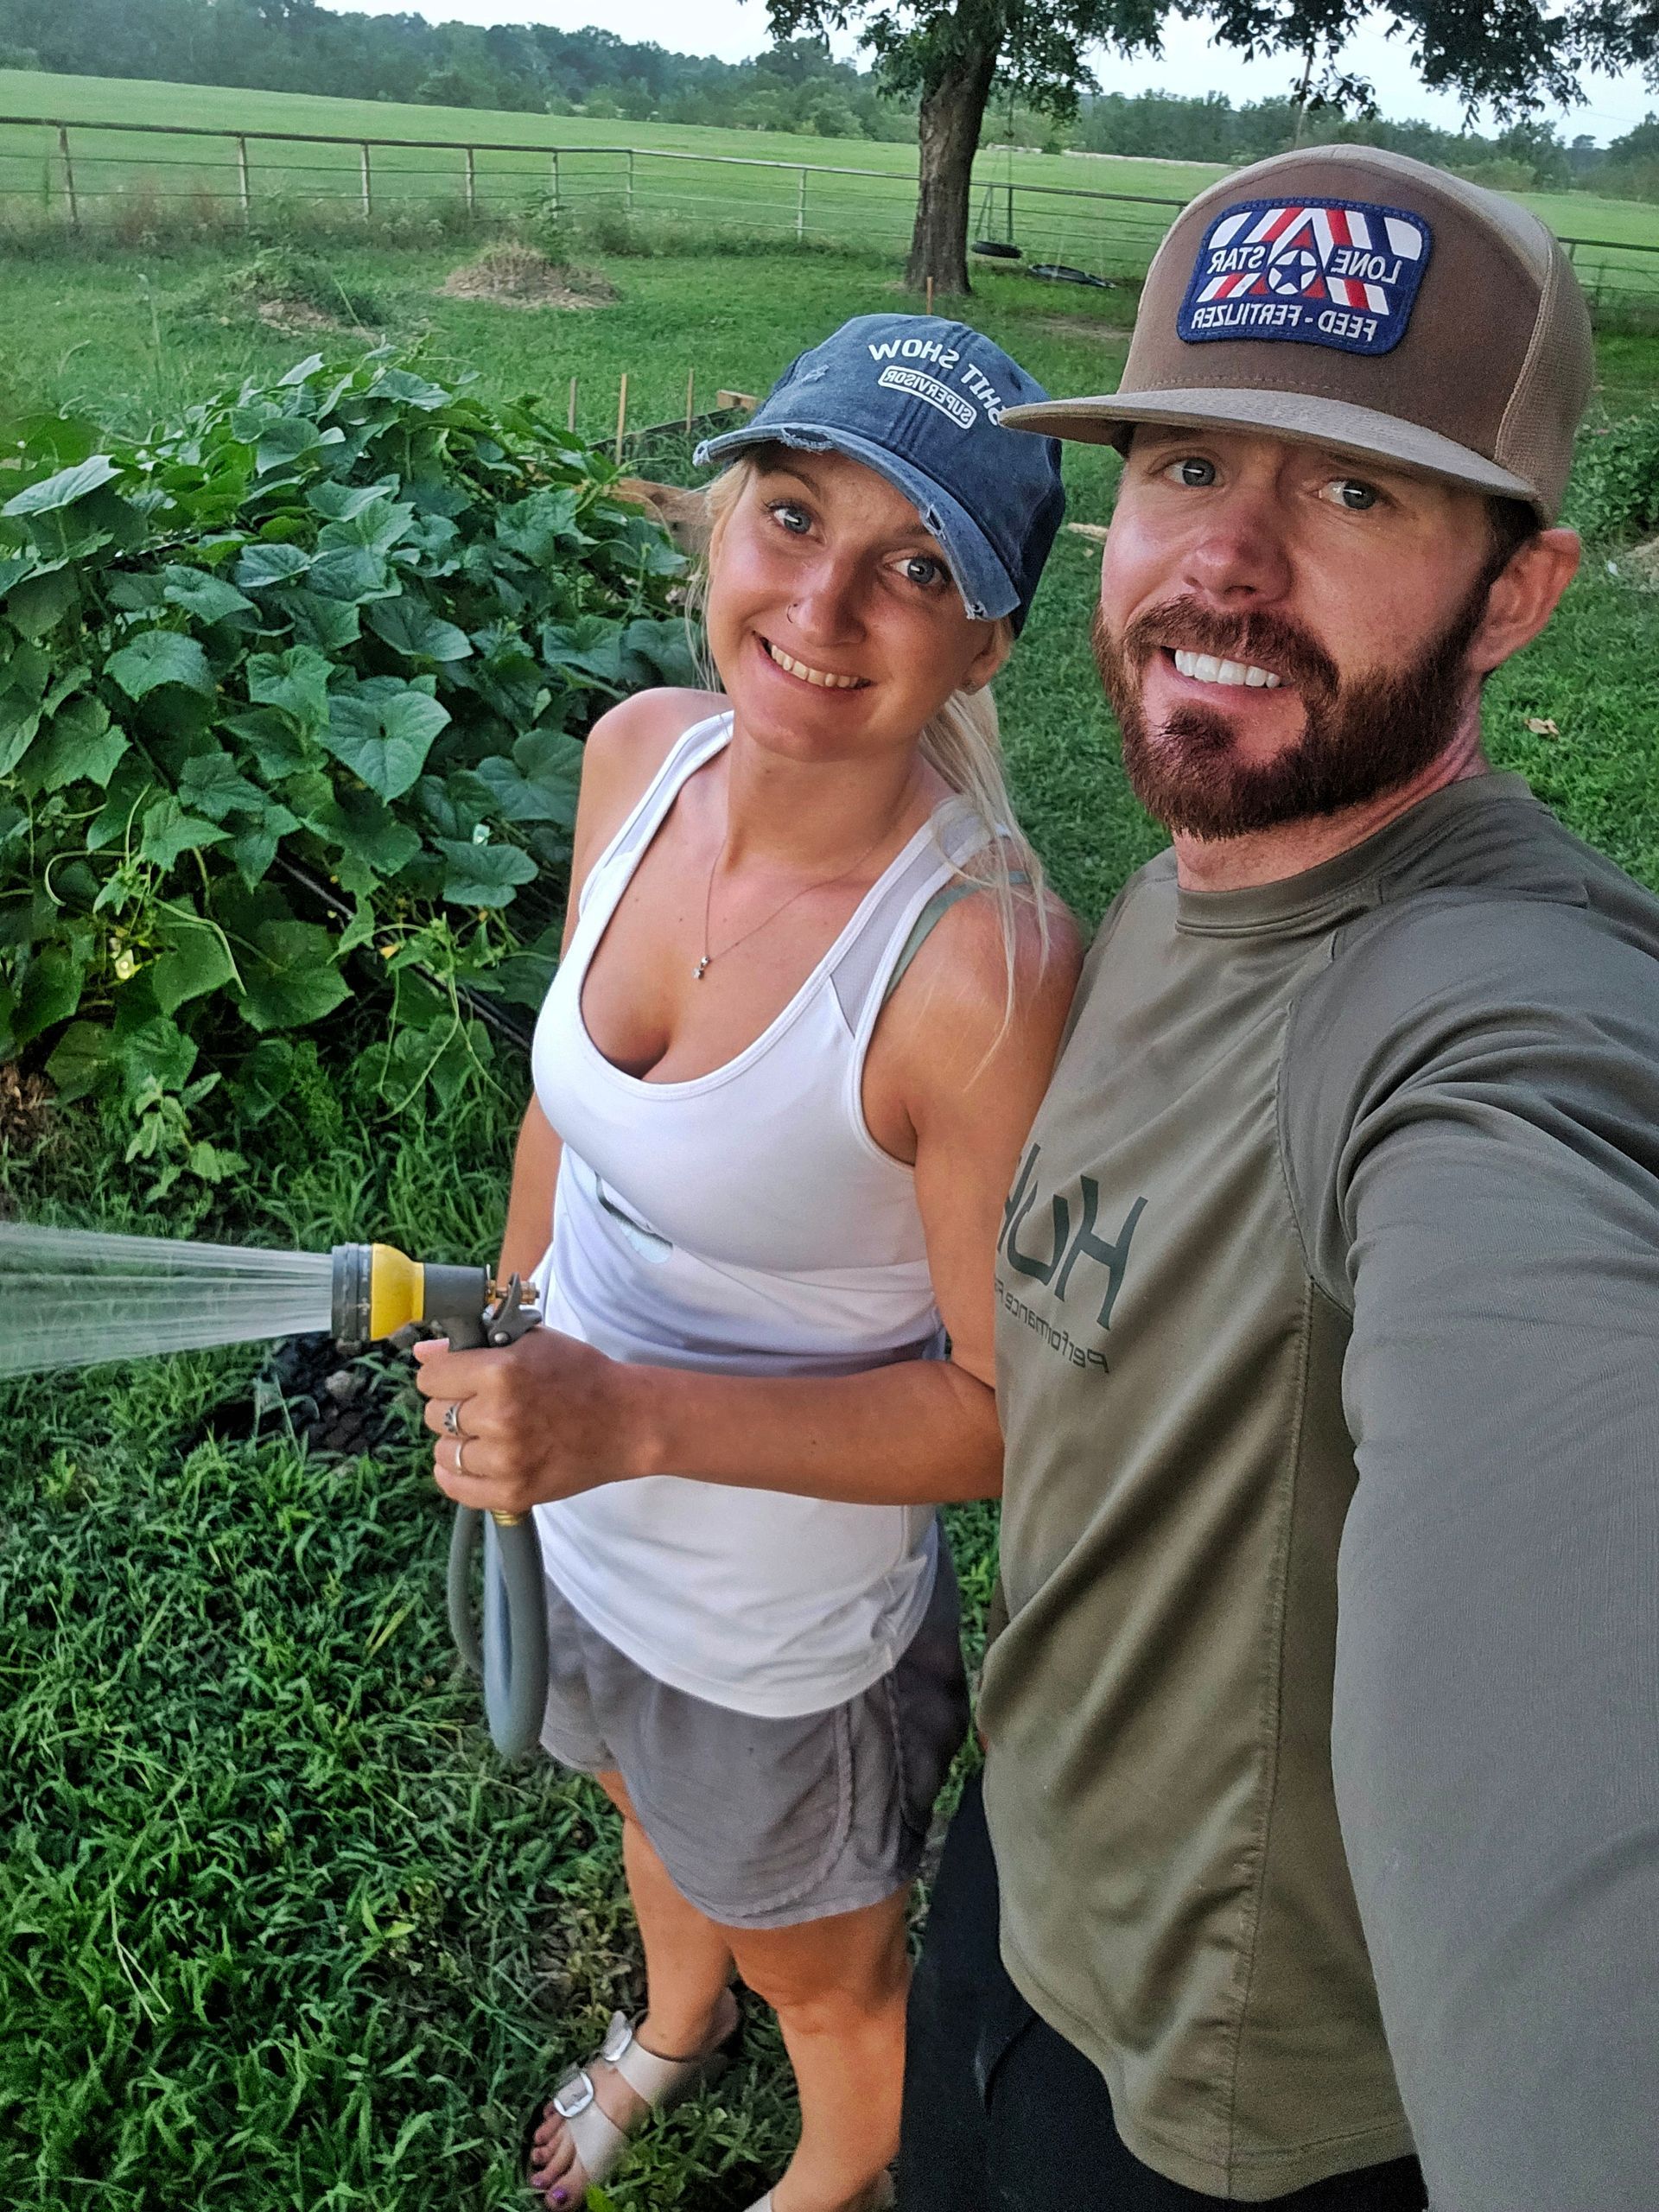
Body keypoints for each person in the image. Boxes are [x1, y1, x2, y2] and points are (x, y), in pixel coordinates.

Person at [894, 144, 1659, 2211]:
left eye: (1351, 491)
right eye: (1184, 463)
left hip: (1232, 2129)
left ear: (1519, 589)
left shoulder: (1503, 1027)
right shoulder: (1178, 883)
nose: (1221, 567)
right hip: (1022, 1891)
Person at [411, 315, 1079, 2212]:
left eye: (918, 566)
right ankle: (669, 2024)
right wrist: (520, 1330)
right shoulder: (634, 760)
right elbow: (565, 1108)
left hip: (781, 1645)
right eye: (791, 515)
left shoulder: (979, 965)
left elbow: (1011, 1415)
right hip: (575, 1522)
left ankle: (828, 2178)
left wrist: (620, 1408)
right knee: (638, 1814)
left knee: (833, 1979)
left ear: (989, 641)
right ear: (720, 527)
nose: (826, 601)